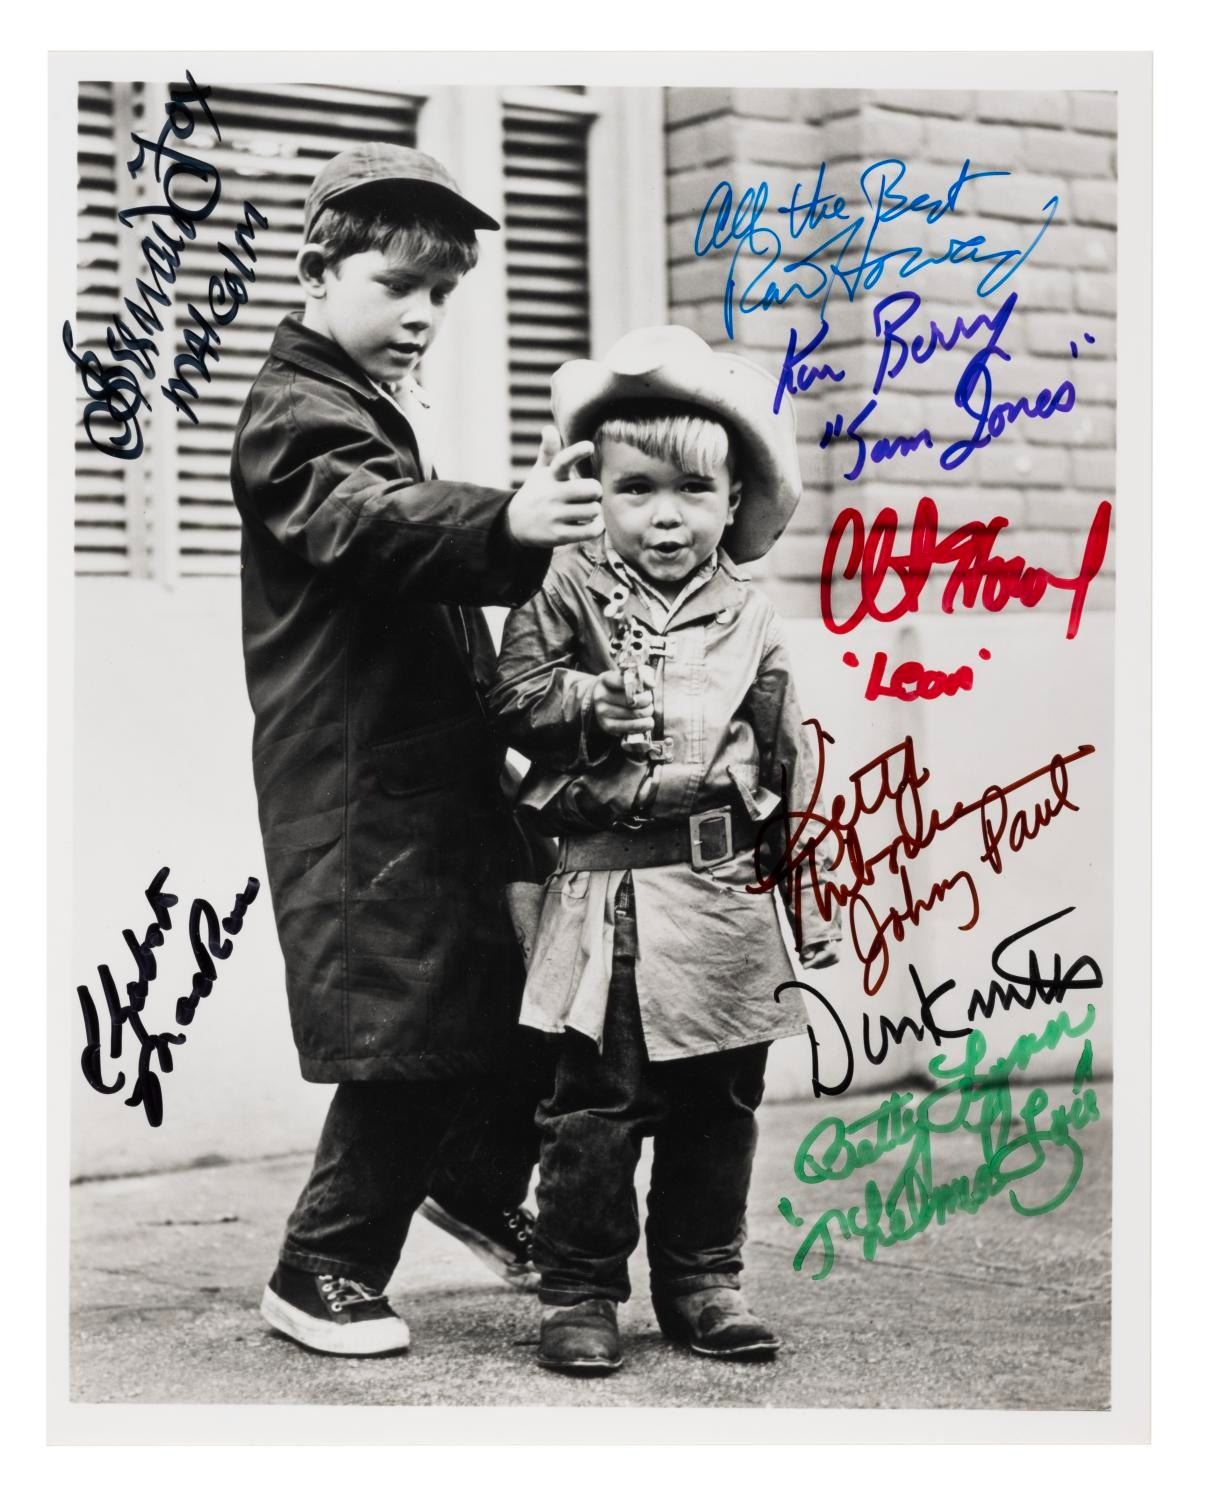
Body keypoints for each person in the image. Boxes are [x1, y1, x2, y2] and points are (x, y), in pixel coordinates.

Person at [230, 143, 603, 1357]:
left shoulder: (358, 407)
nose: (423, 315)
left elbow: (413, 575)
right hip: (358, 785)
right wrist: (508, 520)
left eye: (441, 293)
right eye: (397, 285)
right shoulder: (296, 416)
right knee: (407, 1025)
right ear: (314, 271)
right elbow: (371, 523)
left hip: (426, 771)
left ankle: (475, 1186)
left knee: (517, 982)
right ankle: (321, 1268)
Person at [489, 324, 842, 1375]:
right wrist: (585, 702)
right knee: (594, 1107)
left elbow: (791, 756)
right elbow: (510, 697)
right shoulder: (562, 588)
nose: (664, 516)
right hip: (610, 894)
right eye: (635, 490)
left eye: (692, 492)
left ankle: (702, 1281)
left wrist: (808, 898)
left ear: (732, 503)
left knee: (720, 1102)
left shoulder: (751, 618)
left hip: (722, 893)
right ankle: (579, 1291)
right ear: (596, 494)